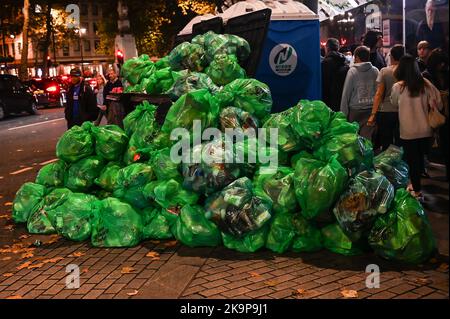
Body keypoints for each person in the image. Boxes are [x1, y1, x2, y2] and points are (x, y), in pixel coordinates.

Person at [390, 54, 443, 200]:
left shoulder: (398, 87)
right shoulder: (425, 84)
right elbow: (439, 102)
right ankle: (416, 185)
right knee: (419, 159)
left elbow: (394, 103)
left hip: (408, 131)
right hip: (425, 129)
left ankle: (417, 190)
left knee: (412, 160)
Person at [368, 45, 405, 151]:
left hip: (386, 111)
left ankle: (387, 165)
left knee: (386, 142)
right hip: (402, 111)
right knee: (400, 141)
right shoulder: (407, 72)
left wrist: (373, 114)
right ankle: (400, 165)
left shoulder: (385, 71)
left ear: (392, 56)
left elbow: (379, 93)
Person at [340, 46, 379, 141]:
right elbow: (379, 92)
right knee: (367, 140)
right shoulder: (375, 71)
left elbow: (346, 94)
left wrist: (343, 115)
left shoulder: (352, 72)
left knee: (354, 140)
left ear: (357, 57)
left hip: (355, 111)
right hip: (371, 111)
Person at [422, 48, 449, 180]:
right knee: (434, 141)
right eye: (440, 63)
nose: (443, 66)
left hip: (446, 113)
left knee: (445, 140)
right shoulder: (427, 75)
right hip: (434, 112)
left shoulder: (445, 73)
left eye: (444, 63)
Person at [321, 38, 350, 112]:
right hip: (342, 99)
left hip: (327, 100)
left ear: (327, 48)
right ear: (338, 48)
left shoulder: (324, 63)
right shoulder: (345, 62)